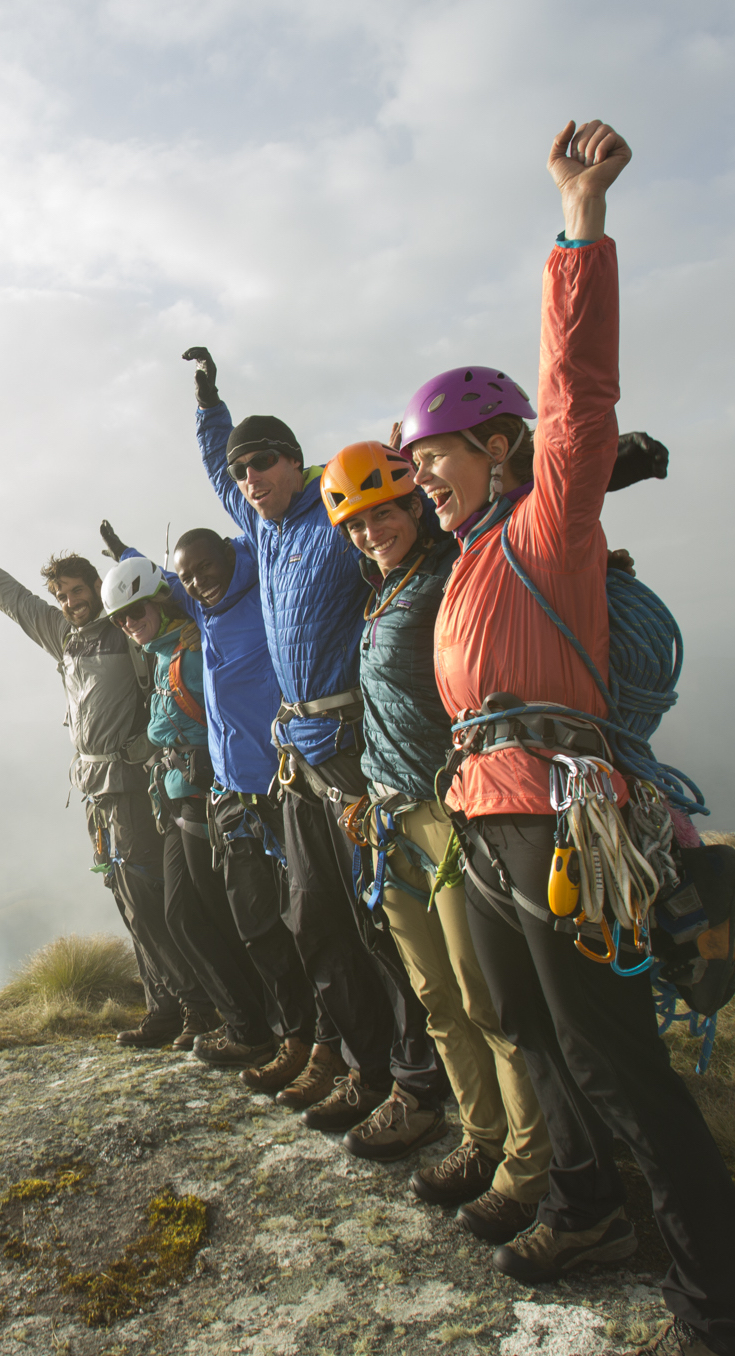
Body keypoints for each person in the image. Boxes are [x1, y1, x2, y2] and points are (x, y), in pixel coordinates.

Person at [401, 120, 735, 1356]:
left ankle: (724, 1313)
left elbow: (581, 391)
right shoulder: (461, 568)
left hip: (559, 829)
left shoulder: (543, 524)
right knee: (546, 1039)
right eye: (414, 466)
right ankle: (589, 1209)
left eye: (436, 457)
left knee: (620, 1071)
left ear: (498, 447)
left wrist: (580, 222)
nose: (423, 480)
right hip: (498, 827)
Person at [185, 352, 449, 1151]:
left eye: (265, 461)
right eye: (244, 467)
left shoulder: (334, 522)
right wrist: (208, 407)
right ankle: (365, 1068)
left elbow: (430, 509)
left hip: (347, 749)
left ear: (297, 463)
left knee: (379, 925)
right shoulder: (262, 530)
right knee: (315, 921)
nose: (251, 475)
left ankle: (417, 1082)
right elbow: (216, 468)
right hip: (295, 753)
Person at [321, 440, 554, 1235]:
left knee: (484, 994)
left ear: (417, 505)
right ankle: (481, 1137)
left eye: (383, 512)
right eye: (355, 521)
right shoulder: (380, 592)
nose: (369, 531)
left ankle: (529, 1166)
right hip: (391, 817)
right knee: (434, 995)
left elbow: (506, 546)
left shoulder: (450, 575)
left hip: (449, 813)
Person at [0, 523, 215, 1050]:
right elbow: (11, 598)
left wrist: (191, 626)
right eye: (61, 596)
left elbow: (176, 599)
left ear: (95, 588)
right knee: (127, 897)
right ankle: (164, 1007)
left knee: (148, 898)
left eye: (77, 592)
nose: (69, 602)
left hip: (131, 784)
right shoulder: (63, 635)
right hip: (94, 789)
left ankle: (195, 1006)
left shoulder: (123, 630)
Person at [98, 522, 317, 1093]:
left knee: (211, 916)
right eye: (121, 620)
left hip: (211, 796)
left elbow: (181, 586)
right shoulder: (167, 648)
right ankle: (248, 1020)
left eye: (136, 614)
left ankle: (257, 1024)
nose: (129, 626)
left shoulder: (192, 646)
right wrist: (126, 554)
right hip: (183, 799)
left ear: (161, 606)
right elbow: (172, 579)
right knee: (197, 915)